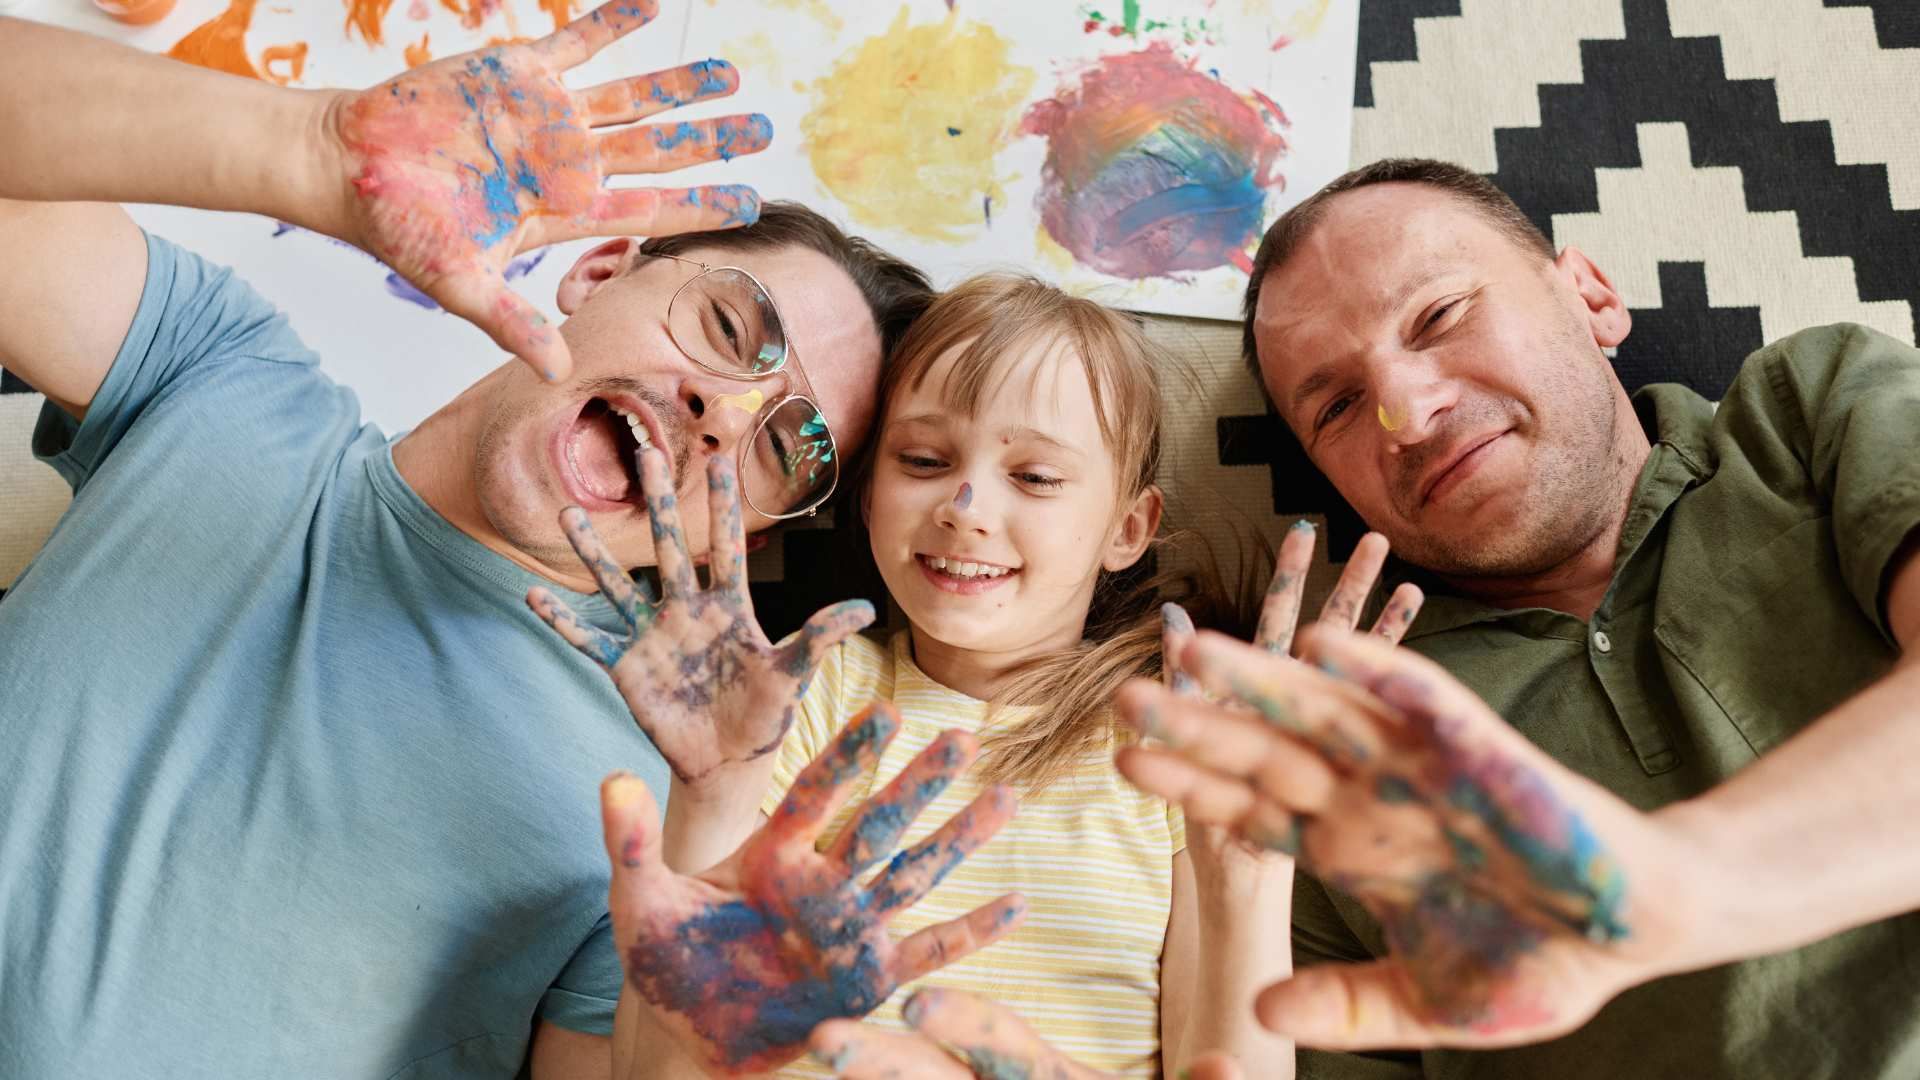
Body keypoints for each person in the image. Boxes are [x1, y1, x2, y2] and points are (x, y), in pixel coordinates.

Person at [0, 8, 934, 1078]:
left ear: (757, 531)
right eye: (729, 328)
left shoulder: (648, 815)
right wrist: (310, 153)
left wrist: (710, 855)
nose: (723, 411)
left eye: (786, 444)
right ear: (602, 270)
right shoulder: (217, 372)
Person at [1112, 157, 1920, 1079]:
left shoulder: (1812, 407)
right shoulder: (1336, 753)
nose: (1407, 414)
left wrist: (1668, 889)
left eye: (1440, 317)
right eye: (1338, 407)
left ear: (1591, 295)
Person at [539, 275, 1424, 1078]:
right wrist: (712, 799)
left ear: (1129, 528)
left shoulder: (1180, 747)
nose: (966, 510)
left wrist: (1248, 882)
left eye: (1034, 477)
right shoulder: (792, 694)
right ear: (870, 493)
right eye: (923, 462)